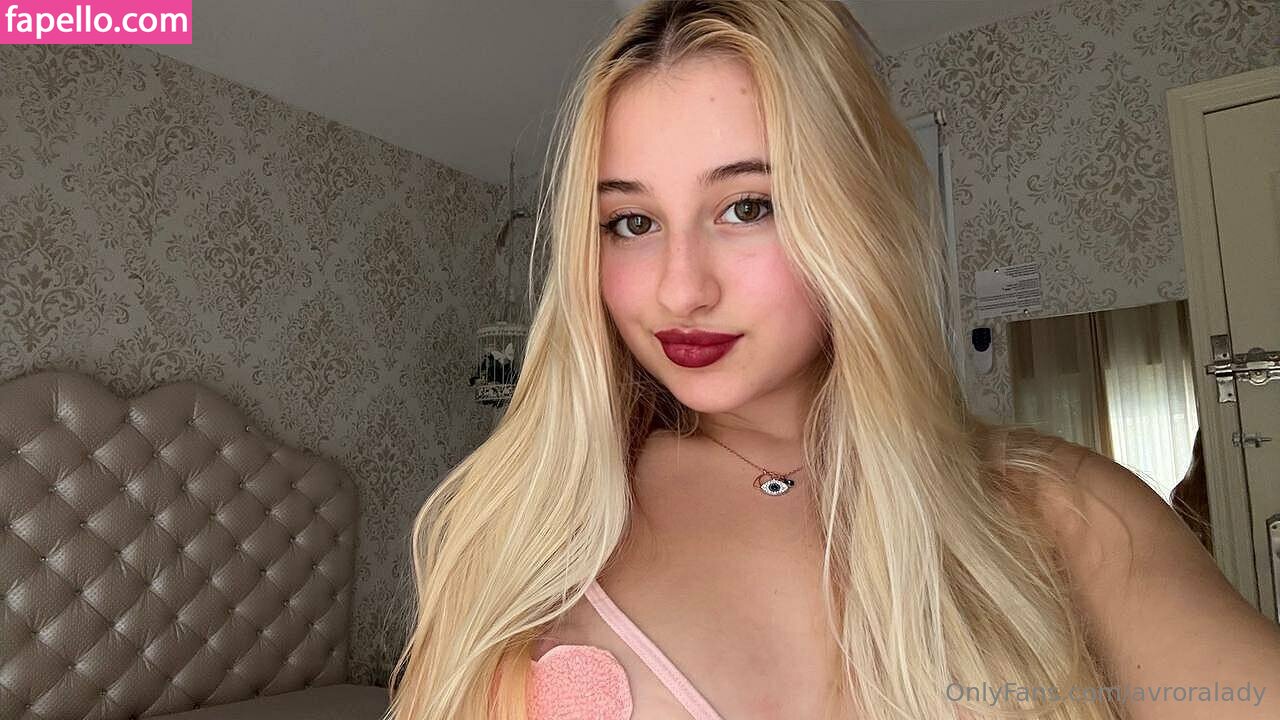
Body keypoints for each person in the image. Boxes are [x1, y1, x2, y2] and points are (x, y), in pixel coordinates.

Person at [388, 2, 1280, 718]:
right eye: (631, 221)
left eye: (748, 207)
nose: (680, 289)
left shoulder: (1061, 510)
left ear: (852, 213)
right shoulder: (517, 521)